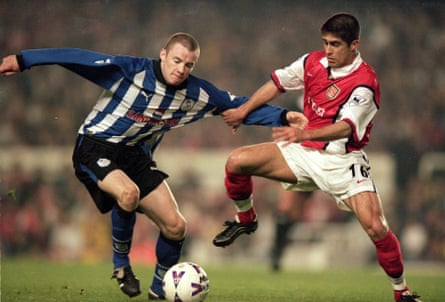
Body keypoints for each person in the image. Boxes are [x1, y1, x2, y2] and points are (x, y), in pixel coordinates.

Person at [0, 32, 300, 300]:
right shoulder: (129, 71)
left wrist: (284, 117)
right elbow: (76, 58)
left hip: (137, 157)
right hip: (95, 146)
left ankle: (159, 292)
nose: (181, 69)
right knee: (127, 194)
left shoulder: (198, 94)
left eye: (189, 65)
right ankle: (121, 267)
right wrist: (24, 59)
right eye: (177, 60)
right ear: (163, 55)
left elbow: (241, 106)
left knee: (176, 225)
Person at [212, 13, 422, 302]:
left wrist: (304, 134)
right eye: (325, 43)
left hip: (342, 161)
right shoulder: (312, 62)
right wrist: (243, 111)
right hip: (303, 153)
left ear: (354, 45)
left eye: (335, 44)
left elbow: (346, 128)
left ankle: (402, 293)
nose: (328, 50)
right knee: (236, 162)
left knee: (376, 226)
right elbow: (278, 82)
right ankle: (246, 220)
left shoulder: (365, 82)